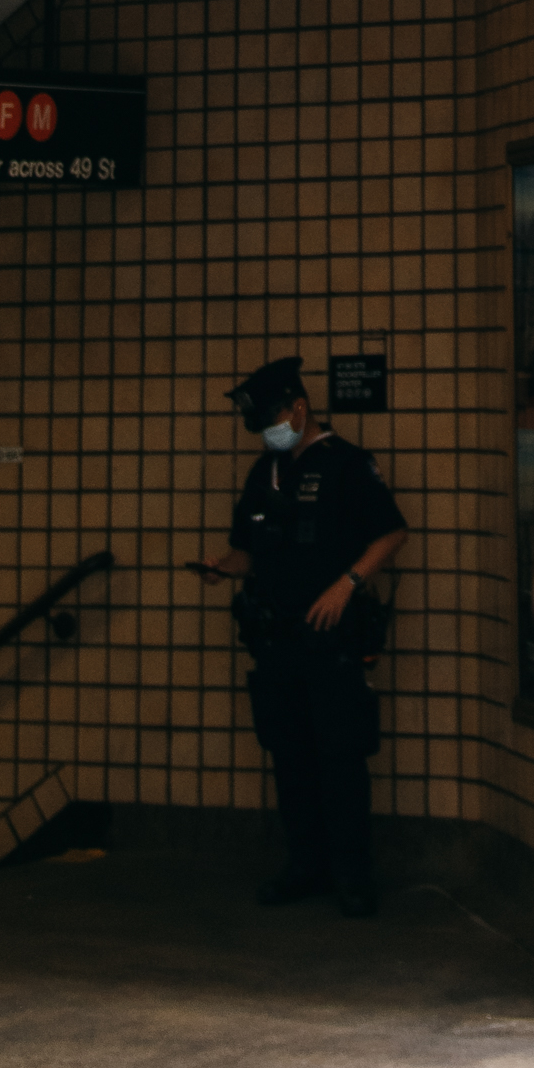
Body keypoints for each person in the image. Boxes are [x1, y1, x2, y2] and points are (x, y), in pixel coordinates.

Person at [193, 356, 407, 911]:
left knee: (339, 757)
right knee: (289, 757)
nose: (269, 432)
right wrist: (224, 568)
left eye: (273, 420)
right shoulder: (264, 473)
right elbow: (249, 551)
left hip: (330, 641)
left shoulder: (346, 464)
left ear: (299, 408)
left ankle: (353, 877)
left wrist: (347, 585)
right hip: (277, 638)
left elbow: (391, 532)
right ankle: (304, 866)